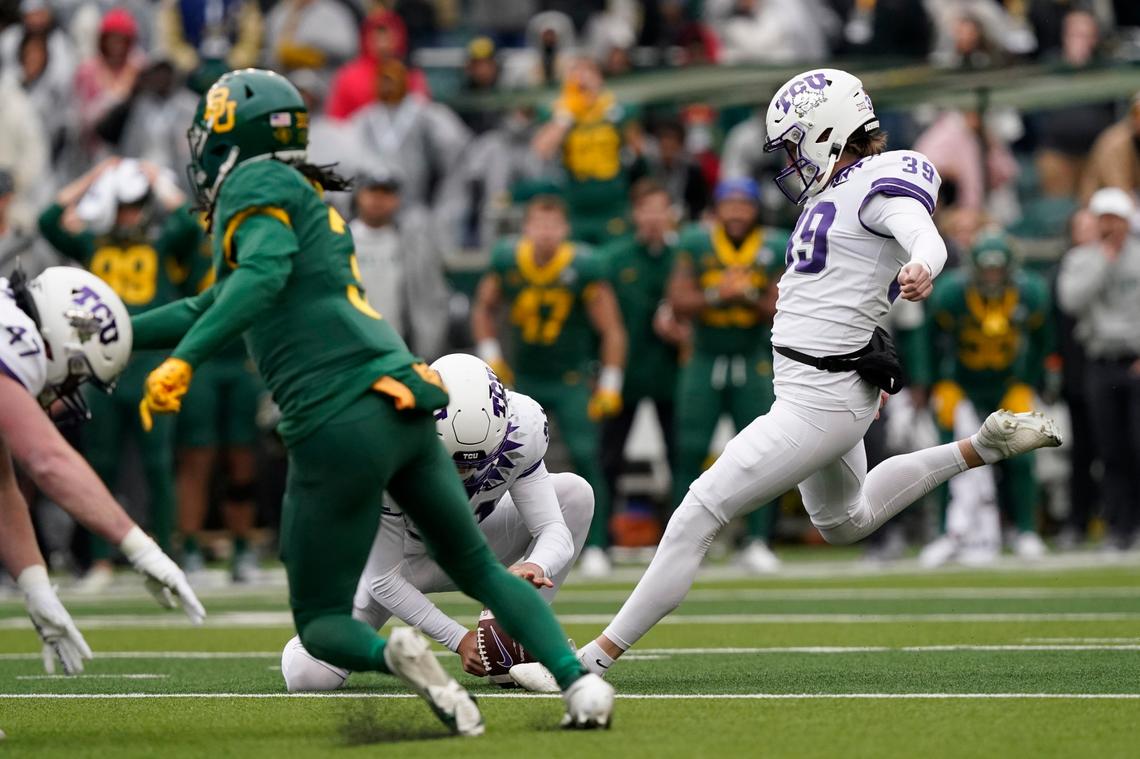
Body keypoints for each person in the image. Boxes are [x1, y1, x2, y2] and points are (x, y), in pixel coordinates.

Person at [511, 68, 1061, 690]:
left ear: (829, 131)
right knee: (844, 522)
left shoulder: (881, 182)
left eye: (797, 141)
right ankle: (980, 447)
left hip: (817, 400)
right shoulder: (840, 189)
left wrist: (922, 267)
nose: (792, 158)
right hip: (828, 385)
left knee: (697, 513)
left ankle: (583, 664)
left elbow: (921, 233)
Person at [131, 69, 611, 731]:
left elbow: (258, 278)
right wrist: (122, 334)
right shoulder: (310, 202)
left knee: (317, 628)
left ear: (234, 137)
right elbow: (212, 302)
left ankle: (402, 657)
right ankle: (579, 685)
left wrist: (184, 359)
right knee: (479, 571)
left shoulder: (255, 185)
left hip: (333, 415)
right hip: (399, 401)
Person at [280, 353, 594, 690]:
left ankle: (514, 639)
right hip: (402, 563)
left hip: (473, 542)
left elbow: (552, 529)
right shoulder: (387, 446)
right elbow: (383, 579)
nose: (467, 473)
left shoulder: (523, 426)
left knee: (575, 494)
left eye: (478, 463)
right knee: (307, 674)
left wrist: (534, 565)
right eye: (455, 464)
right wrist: (458, 638)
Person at [0, 266, 204, 676]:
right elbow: (48, 460)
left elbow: (2, 488)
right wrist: (142, 549)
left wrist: (36, 587)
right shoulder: (15, 337)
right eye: (75, 375)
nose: (65, 392)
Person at [38, 158, 201, 591]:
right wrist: (93, 177)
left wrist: (158, 181)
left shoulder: (160, 244)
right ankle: (101, 559)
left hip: (150, 367)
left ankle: (164, 556)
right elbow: (48, 220)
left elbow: (191, 225)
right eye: (124, 206)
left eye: (136, 205)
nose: (130, 214)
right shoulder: (93, 243)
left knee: (158, 466)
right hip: (104, 370)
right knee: (100, 466)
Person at [472, 195, 627, 577]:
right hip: (523, 378)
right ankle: (502, 543)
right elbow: (483, 307)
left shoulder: (583, 265)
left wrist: (610, 383)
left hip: (571, 377)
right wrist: (491, 354)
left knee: (587, 456)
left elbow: (612, 328)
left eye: (552, 225)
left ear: (565, 230)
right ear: (526, 228)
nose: (545, 233)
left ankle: (596, 544)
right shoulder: (508, 260)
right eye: (538, 225)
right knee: (502, 459)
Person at [668, 177, 789, 573]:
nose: (737, 212)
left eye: (744, 204)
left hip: (753, 358)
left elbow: (782, 306)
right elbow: (678, 301)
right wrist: (718, 295)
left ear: (755, 210)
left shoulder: (774, 245)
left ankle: (756, 540)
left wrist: (746, 295)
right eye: (729, 204)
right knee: (689, 449)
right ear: (717, 209)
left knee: (761, 454)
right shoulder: (695, 243)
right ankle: (682, 542)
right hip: (704, 357)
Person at [919, 232, 1052, 567]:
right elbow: (929, 338)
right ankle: (944, 534)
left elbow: (1042, 340)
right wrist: (935, 382)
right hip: (960, 384)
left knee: (1023, 454)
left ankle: (1026, 530)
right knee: (945, 456)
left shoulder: (1030, 292)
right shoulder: (952, 293)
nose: (992, 275)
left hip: (1008, 383)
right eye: (987, 269)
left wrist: (1028, 381)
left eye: (998, 269)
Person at [598, 179, 685, 565]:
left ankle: (680, 541)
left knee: (681, 455)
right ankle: (598, 540)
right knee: (608, 458)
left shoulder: (683, 255)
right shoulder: (613, 258)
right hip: (625, 373)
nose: (653, 217)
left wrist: (683, 330)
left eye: (659, 208)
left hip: (673, 373)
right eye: (646, 209)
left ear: (670, 213)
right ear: (635, 214)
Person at [174, 216, 261, 581]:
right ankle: (190, 547)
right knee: (197, 456)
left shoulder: (258, 223)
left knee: (242, 459)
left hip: (244, 356)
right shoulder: (190, 227)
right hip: (204, 357)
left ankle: (242, 546)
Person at [1057, 188, 1140, 550]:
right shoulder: (1082, 259)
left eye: (1115, 219)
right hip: (1100, 361)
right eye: (1103, 218)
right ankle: (1119, 527)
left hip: (1135, 360)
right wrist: (1103, 261)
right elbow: (1071, 301)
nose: (1109, 226)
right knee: (1110, 450)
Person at [531, 56, 642, 245]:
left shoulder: (616, 108)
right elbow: (542, 149)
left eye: (587, 73)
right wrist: (566, 116)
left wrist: (615, 117)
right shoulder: (560, 111)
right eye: (575, 74)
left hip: (613, 202)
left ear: (600, 78)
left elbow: (638, 148)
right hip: (576, 204)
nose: (582, 79)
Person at [349, 167, 450, 361]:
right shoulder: (342, 240)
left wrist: (428, 345)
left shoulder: (414, 245)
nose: (378, 199)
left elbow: (433, 296)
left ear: (397, 199)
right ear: (359, 195)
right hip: (354, 346)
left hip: (400, 347)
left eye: (386, 193)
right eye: (372, 191)